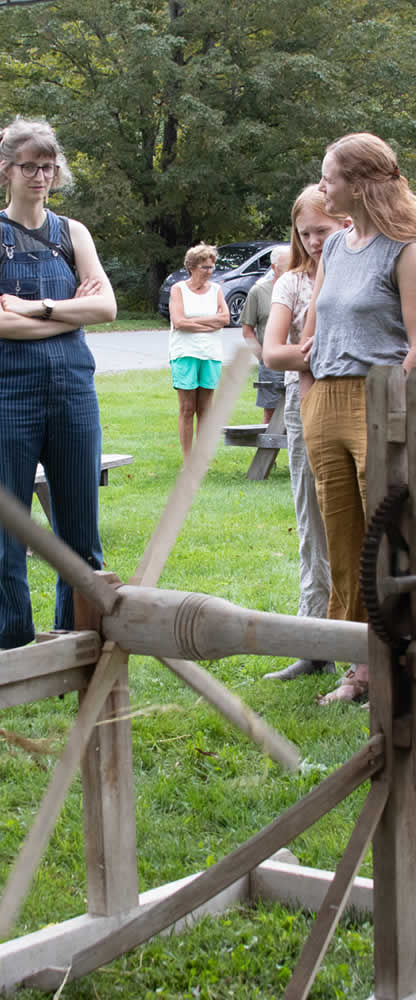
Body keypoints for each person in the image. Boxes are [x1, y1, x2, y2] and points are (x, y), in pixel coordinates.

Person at [0, 118, 117, 650]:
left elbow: (109, 306)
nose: (40, 176)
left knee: (79, 535)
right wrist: (73, 314)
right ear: (6, 169)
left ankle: (77, 644)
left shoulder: (72, 233)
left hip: (74, 394)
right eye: (29, 165)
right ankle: (12, 646)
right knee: (7, 535)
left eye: (48, 166)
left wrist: (40, 307)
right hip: (9, 398)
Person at [298, 134, 416, 703]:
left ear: (361, 183)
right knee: (341, 541)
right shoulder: (337, 248)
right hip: (326, 401)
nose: (323, 187)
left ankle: (398, 659)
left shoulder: (405, 247)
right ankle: (358, 669)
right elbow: (314, 331)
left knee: (388, 540)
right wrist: (310, 380)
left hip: (382, 403)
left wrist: (398, 411)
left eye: (329, 177)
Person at [262, 186, 349, 681]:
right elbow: (275, 353)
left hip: (361, 401)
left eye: (324, 229)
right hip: (304, 403)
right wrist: (319, 355)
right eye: (306, 232)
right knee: (311, 520)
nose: (315, 240)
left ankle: (364, 645)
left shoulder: (363, 269)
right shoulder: (291, 284)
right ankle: (313, 642)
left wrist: (313, 352)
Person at [168, 244, 230, 460]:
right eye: (205, 267)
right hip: (185, 353)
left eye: (212, 267)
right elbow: (179, 321)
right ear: (193, 267)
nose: (210, 271)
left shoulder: (216, 290)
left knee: (205, 409)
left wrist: (194, 322)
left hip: (211, 354)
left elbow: (225, 319)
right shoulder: (179, 289)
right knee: (187, 408)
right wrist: (209, 324)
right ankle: (188, 458)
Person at [240, 246, 289, 422]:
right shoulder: (258, 291)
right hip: (272, 364)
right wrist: (263, 357)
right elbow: (247, 331)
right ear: (274, 267)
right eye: (286, 266)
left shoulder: (300, 286)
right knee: (271, 413)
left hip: (298, 362)